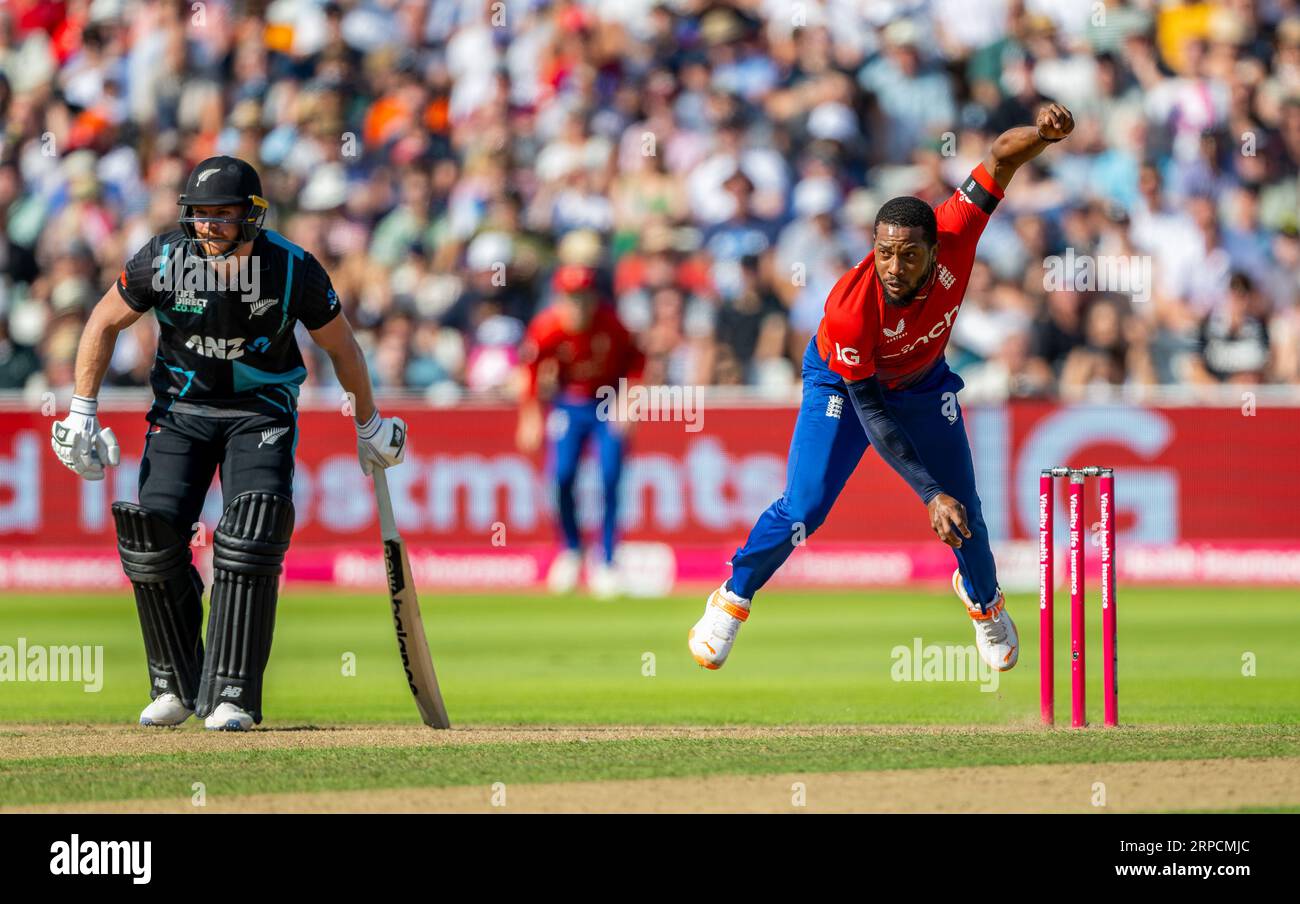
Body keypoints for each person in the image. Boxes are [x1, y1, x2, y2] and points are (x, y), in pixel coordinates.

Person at [689, 104, 1076, 672]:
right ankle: (733, 596)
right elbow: (870, 412)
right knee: (806, 506)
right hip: (846, 386)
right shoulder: (850, 309)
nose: (893, 266)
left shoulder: (958, 229)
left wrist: (1041, 136)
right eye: (884, 251)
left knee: (964, 509)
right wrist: (926, 492)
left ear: (934, 249)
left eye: (908, 254)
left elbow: (1000, 156)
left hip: (922, 384)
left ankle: (984, 602)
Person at [49, 156, 406, 731]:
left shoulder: (292, 269)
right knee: (151, 534)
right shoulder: (165, 257)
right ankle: (174, 682)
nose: (210, 227)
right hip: (181, 411)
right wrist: (81, 410)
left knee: (251, 531)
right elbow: (102, 321)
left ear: (252, 217)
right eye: (200, 215)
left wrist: (369, 423)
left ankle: (232, 693)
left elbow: (343, 349)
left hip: (259, 411)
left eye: (224, 215)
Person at [516, 263, 645, 598]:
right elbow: (529, 370)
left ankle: (606, 558)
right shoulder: (547, 328)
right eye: (571, 298)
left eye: (584, 297)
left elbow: (637, 363)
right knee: (561, 475)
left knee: (611, 474)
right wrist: (530, 415)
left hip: (607, 404)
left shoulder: (612, 323)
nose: (578, 306)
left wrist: (628, 401)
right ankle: (572, 550)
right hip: (568, 405)